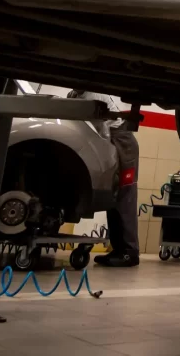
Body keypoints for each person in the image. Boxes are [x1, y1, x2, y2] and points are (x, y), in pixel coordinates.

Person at [70, 90, 141, 267]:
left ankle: (129, 252)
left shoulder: (92, 95)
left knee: (124, 197)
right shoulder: (76, 95)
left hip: (120, 140)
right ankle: (119, 249)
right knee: (114, 196)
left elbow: (100, 130)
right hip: (113, 137)